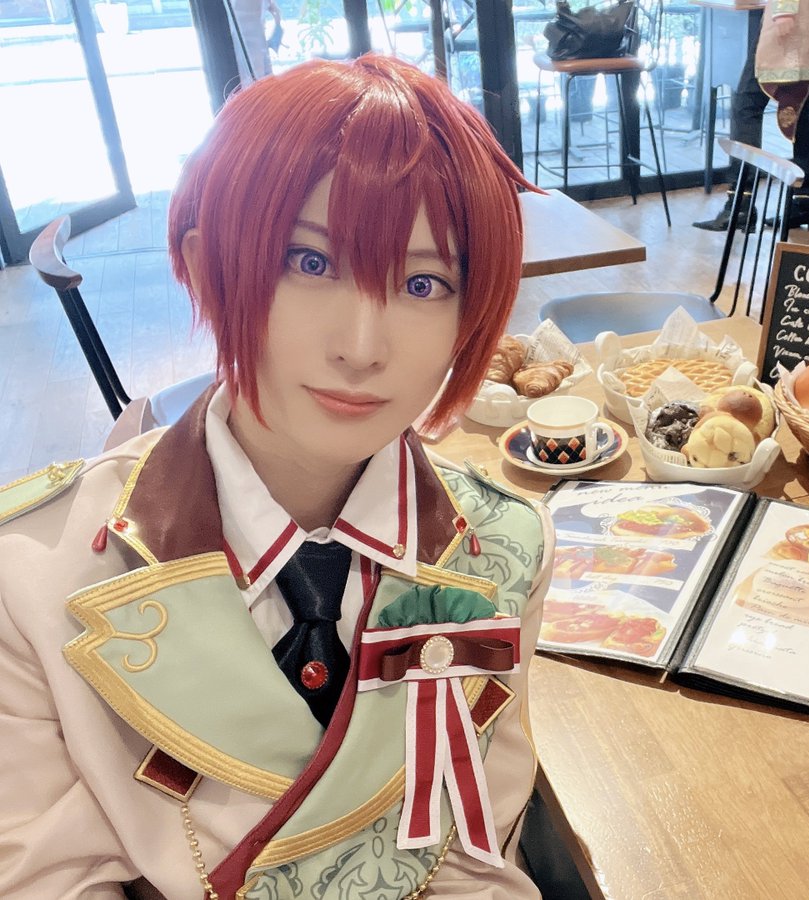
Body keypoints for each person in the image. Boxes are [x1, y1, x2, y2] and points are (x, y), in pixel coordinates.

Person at [0, 55, 553, 898]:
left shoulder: (505, 546)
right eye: (311, 263)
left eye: (422, 281)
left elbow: (472, 852)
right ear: (207, 266)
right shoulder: (34, 573)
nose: (361, 347)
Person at [694, 0, 809, 233]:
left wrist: (784, 9)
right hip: (808, 17)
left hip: (790, 18)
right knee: (800, 108)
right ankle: (806, 202)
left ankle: (741, 205)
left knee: (747, 105)